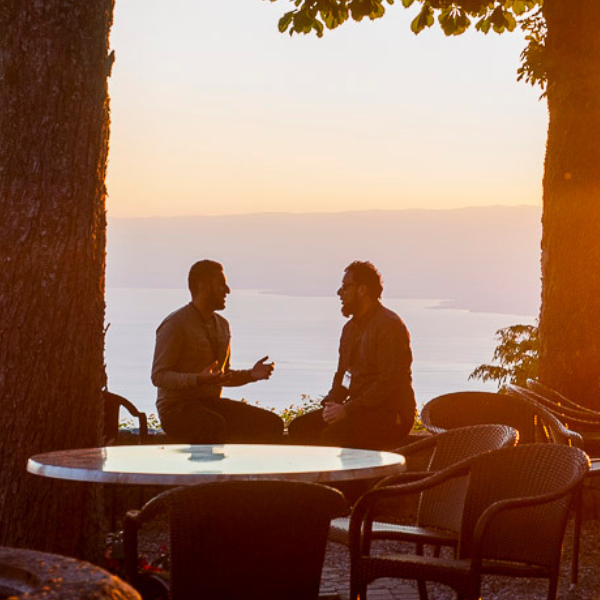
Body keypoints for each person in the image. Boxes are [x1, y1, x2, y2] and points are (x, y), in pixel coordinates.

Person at [151, 259, 284, 443]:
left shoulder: (222, 326)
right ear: (204, 287)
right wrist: (197, 379)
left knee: (271, 423)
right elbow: (159, 376)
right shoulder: (175, 324)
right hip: (176, 408)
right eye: (221, 284)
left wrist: (251, 375)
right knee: (213, 424)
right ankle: (213, 472)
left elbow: (222, 375)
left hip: (209, 405)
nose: (228, 290)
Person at [288, 261, 416, 450]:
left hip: (389, 414)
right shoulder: (349, 330)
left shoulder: (389, 325)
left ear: (362, 290)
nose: (340, 293)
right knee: (300, 428)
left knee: (333, 436)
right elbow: (343, 375)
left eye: (345, 287)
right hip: (360, 410)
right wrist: (331, 403)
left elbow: (388, 382)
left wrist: (347, 409)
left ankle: (348, 479)